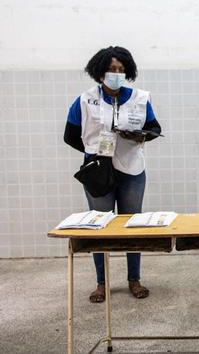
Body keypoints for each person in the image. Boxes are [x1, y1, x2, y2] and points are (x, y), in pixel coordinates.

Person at [64, 46, 162, 303]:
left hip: (132, 169)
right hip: (98, 171)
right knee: (100, 227)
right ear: (99, 73)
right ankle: (101, 283)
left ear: (127, 72)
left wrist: (139, 136)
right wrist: (96, 152)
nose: (116, 74)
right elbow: (70, 135)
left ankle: (134, 279)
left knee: (132, 226)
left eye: (120, 70)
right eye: (111, 70)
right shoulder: (85, 100)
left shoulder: (140, 98)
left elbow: (154, 128)